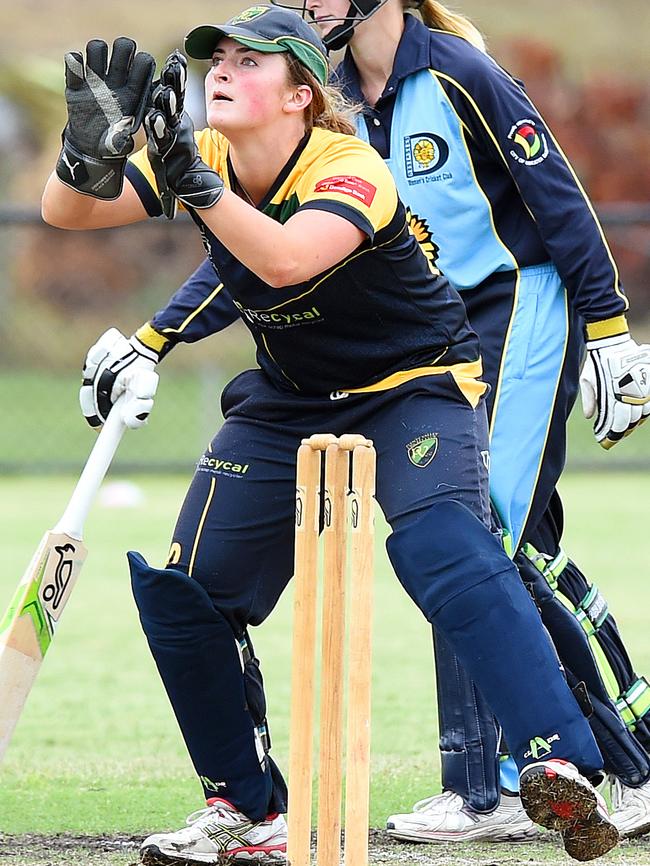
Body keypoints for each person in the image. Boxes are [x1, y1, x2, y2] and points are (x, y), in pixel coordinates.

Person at [42, 7, 622, 864]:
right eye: (218, 59)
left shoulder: (352, 164)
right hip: (293, 396)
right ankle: (246, 806)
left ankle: (560, 762)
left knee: (446, 547)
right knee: (184, 592)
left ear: (303, 95)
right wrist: (83, 155)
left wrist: (195, 188)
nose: (223, 71)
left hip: (414, 384)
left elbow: (282, 259)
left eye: (250, 61)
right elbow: (67, 214)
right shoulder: (204, 157)